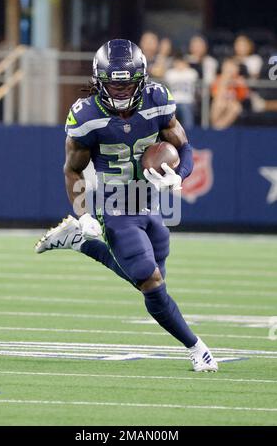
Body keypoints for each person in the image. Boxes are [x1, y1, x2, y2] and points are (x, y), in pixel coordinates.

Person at [35, 38, 218, 372]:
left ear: (142, 80)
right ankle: (197, 348)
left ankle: (81, 243)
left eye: (127, 85)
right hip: (114, 204)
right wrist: (86, 213)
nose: (120, 93)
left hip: (148, 202)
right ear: (99, 82)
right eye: (113, 86)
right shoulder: (86, 115)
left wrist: (180, 176)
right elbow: (72, 170)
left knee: (152, 278)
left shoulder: (158, 100)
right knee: (150, 281)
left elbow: (185, 146)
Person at [210, 58, 249, 130]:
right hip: (220, 100)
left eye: (232, 68)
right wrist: (225, 82)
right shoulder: (218, 79)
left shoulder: (239, 80)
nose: (230, 70)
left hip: (233, 102)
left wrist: (237, 84)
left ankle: (218, 128)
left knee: (236, 108)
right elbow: (215, 94)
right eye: (228, 68)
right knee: (220, 104)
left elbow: (242, 96)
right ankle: (215, 126)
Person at [164, 53, 198, 130]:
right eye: (178, 62)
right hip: (172, 102)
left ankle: (190, 132)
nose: (180, 64)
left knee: (185, 109)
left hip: (187, 102)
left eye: (182, 62)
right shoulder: (170, 73)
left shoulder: (191, 72)